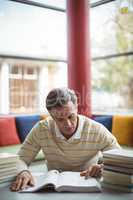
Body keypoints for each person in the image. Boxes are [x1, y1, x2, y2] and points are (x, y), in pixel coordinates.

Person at [11, 87, 121, 191]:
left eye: (70, 116)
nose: (68, 124)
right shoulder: (41, 129)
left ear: (76, 107)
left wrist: (102, 167)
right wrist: (23, 171)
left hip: (88, 185)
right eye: (60, 119)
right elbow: (20, 159)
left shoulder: (97, 130)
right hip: (53, 189)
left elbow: (121, 160)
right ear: (51, 115)